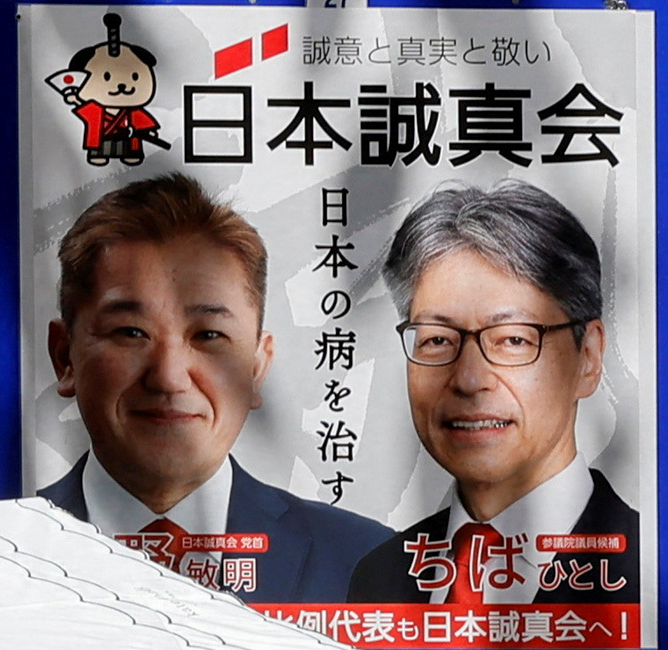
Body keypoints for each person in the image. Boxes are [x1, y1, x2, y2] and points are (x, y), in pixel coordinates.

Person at [33, 177, 407, 608]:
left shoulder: (369, 565)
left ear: (256, 366)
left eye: (209, 335)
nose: (170, 377)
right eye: (131, 332)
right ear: (65, 358)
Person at [378, 187, 636, 619]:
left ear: (588, 357)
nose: (470, 379)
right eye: (438, 340)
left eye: (513, 339)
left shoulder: (655, 571)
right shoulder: (377, 578)